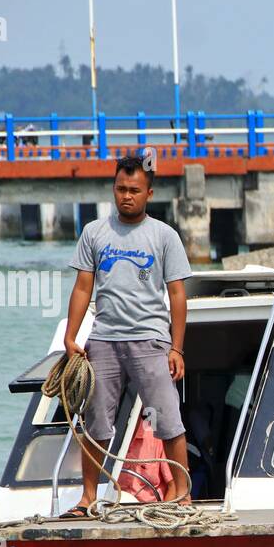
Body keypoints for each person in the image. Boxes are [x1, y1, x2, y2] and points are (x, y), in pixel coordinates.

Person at [61, 154, 193, 518]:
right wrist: (72, 337)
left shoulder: (165, 235)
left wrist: (176, 348)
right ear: (113, 189)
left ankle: (181, 494)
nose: (127, 196)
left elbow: (178, 294)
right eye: (121, 189)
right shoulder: (94, 232)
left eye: (134, 190)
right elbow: (83, 287)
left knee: (167, 417)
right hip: (103, 340)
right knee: (96, 423)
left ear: (149, 193)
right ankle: (88, 498)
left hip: (150, 340)